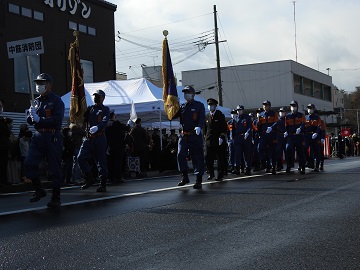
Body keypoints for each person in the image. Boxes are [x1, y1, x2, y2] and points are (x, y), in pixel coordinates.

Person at [24, 73, 65, 208]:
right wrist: (30, 115)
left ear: (49, 85)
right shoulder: (35, 101)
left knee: (54, 167)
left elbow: (57, 120)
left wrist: (40, 119)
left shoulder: (57, 101)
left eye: (42, 83)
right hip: (38, 136)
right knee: (29, 163)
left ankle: (56, 197)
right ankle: (39, 189)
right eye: (37, 83)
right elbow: (30, 121)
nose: (39, 86)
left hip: (52, 136)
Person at [78, 89, 110, 192]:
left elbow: (105, 121)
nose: (96, 97)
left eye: (98, 96)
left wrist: (98, 127)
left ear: (103, 98)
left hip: (100, 137)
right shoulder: (90, 109)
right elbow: (82, 119)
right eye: (95, 95)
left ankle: (103, 183)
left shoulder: (105, 109)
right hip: (89, 138)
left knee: (101, 161)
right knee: (80, 158)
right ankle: (89, 178)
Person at [173, 85, 205, 189]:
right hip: (184, 135)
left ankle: (198, 180)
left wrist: (199, 127)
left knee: (197, 157)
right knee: (180, 155)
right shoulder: (182, 106)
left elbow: (201, 118)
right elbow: (172, 116)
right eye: (185, 93)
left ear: (193, 94)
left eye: (188, 92)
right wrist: (172, 105)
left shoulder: (199, 105)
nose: (186, 94)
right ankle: (184, 176)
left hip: (194, 135)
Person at [204, 98, 227, 181]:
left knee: (220, 158)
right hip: (209, 140)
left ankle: (220, 174)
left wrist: (222, 136)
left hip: (218, 140)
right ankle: (211, 173)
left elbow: (224, 127)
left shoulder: (220, 115)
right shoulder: (207, 116)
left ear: (215, 106)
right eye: (209, 105)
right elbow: (205, 128)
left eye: (212, 105)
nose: (210, 107)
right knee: (207, 157)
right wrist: (204, 138)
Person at [257, 100, 279, 175]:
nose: (265, 106)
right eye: (264, 105)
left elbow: (276, 122)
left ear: (269, 106)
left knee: (272, 151)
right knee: (260, 148)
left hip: (271, 134)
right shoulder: (261, 115)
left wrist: (272, 127)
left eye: (266, 105)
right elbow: (259, 125)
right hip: (264, 134)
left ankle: (273, 166)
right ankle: (264, 163)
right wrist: (259, 134)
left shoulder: (274, 114)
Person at [284, 101, 306, 174]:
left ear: (297, 107)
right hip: (291, 136)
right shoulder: (287, 116)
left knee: (300, 151)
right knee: (288, 149)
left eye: (294, 106)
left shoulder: (301, 115)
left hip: (299, 136)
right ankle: (289, 165)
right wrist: (286, 132)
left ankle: (302, 166)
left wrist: (300, 128)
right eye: (292, 106)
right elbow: (286, 125)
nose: (293, 107)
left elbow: (303, 123)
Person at [105, 111, 126, 183]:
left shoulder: (106, 125)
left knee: (110, 163)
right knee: (118, 162)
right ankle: (117, 177)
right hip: (118, 146)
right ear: (113, 116)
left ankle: (110, 177)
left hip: (110, 147)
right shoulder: (117, 123)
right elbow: (126, 128)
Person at [233, 105, 253, 176]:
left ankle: (248, 168)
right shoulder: (235, 118)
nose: (239, 111)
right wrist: (233, 137)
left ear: (243, 110)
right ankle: (237, 168)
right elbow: (233, 129)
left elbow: (250, 126)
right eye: (238, 110)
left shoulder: (247, 118)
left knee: (247, 154)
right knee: (237, 153)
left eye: (240, 110)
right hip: (238, 138)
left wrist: (247, 132)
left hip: (245, 138)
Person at [304, 103, 323, 172]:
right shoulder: (305, 117)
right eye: (308, 108)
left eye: (311, 108)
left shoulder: (317, 117)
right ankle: (309, 161)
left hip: (315, 136)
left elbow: (319, 126)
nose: (309, 109)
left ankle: (317, 166)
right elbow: (303, 126)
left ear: (314, 109)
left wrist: (316, 133)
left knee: (316, 151)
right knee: (304, 148)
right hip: (307, 135)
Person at [0, 101, 10, 187]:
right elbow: (7, 132)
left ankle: (4, 180)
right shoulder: (1, 121)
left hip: (3, 146)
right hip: (2, 146)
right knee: (3, 164)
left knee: (4, 164)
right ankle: (3, 180)